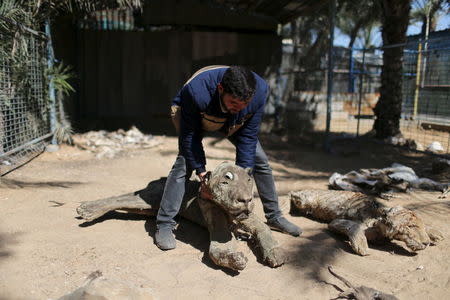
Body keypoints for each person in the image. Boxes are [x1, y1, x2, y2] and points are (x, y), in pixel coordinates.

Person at [155, 65, 301, 250]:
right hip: (195, 113)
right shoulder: (196, 92)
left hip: (231, 121)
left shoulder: (259, 92)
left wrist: (243, 178)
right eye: (234, 102)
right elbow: (190, 138)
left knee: (260, 161)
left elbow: (248, 136)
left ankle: (274, 216)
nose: (239, 106)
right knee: (184, 163)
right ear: (221, 89)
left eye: (244, 103)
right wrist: (200, 171)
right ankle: (165, 223)